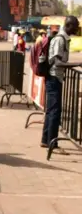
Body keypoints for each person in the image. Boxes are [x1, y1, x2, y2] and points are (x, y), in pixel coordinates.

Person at [41, 16, 82, 155]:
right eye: (75, 26)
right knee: (54, 112)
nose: (76, 29)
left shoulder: (64, 39)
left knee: (51, 110)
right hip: (54, 78)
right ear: (68, 25)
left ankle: (46, 139)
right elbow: (58, 63)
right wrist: (76, 64)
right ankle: (52, 143)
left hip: (55, 78)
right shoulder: (60, 39)